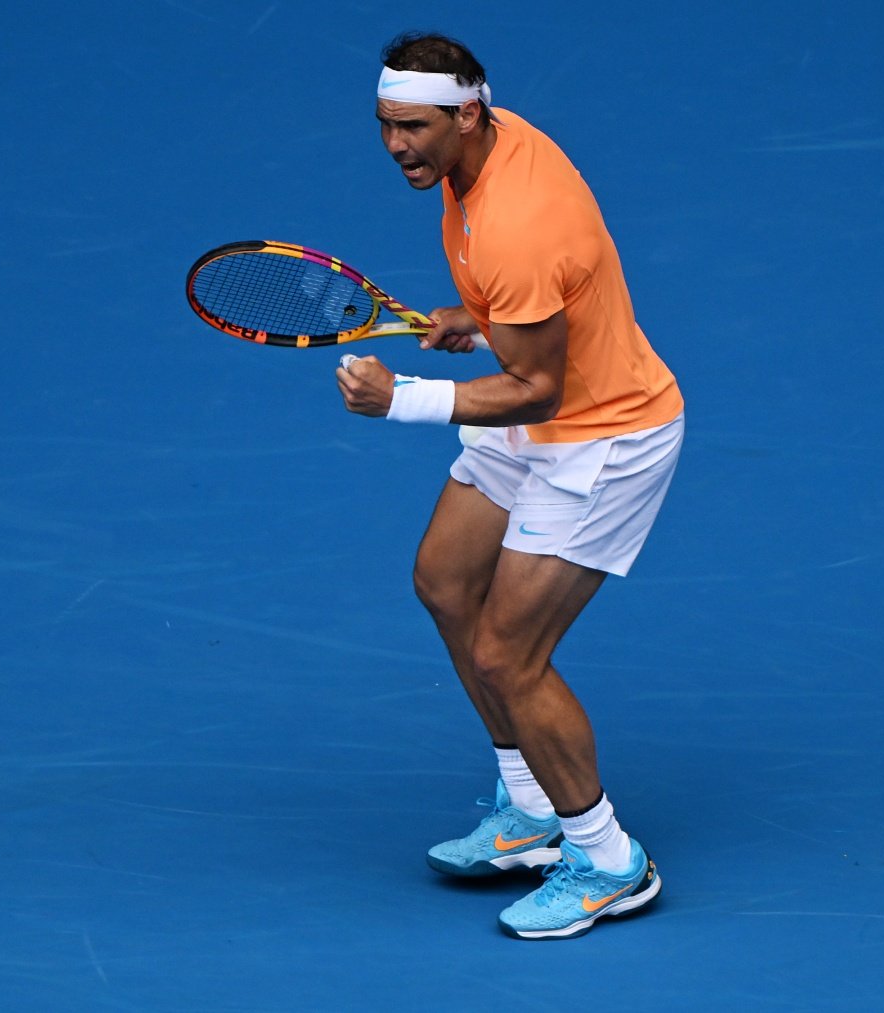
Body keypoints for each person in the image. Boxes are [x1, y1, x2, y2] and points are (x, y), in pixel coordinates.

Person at [336, 31, 685, 940]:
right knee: (445, 583)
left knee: (506, 653)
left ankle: (610, 859)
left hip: (603, 438)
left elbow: (541, 384)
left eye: (412, 127)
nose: (396, 146)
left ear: (467, 114)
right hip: (536, 418)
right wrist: (477, 317)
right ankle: (531, 810)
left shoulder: (519, 221)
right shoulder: (482, 151)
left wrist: (401, 399)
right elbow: (535, 328)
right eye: (384, 126)